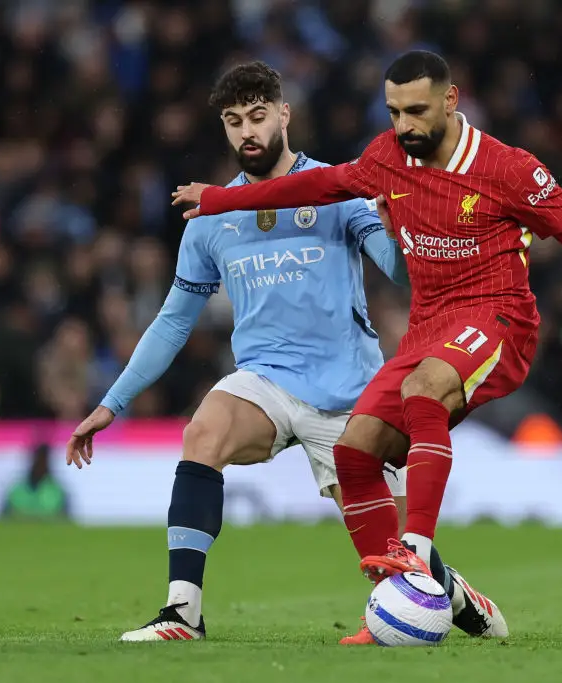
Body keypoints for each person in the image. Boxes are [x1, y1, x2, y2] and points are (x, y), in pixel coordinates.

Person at [172, 50, 562, 645]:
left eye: (416, 110)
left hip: (497, 316)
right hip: (428, 327)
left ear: (451, 101)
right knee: (355, 450)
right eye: (394, 111)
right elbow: (319, 184)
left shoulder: (509, 169)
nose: (404, 125)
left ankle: (417, 550)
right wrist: (220, 199)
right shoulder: (387, 158)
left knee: (424, 387)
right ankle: (409, 599)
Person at [66, 62, 411, 642]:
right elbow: (173, 322)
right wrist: (111, 404)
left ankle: (454, 594)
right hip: (265, 381)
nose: (247, 131)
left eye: (257, 116)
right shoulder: (211, 218)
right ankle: (183, 612)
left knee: (403, 574)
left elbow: (400, 275)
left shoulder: (338, 190)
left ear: (284, 114)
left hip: (349, 392)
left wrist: (396, 228)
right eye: (233, 121)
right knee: (203, 432)